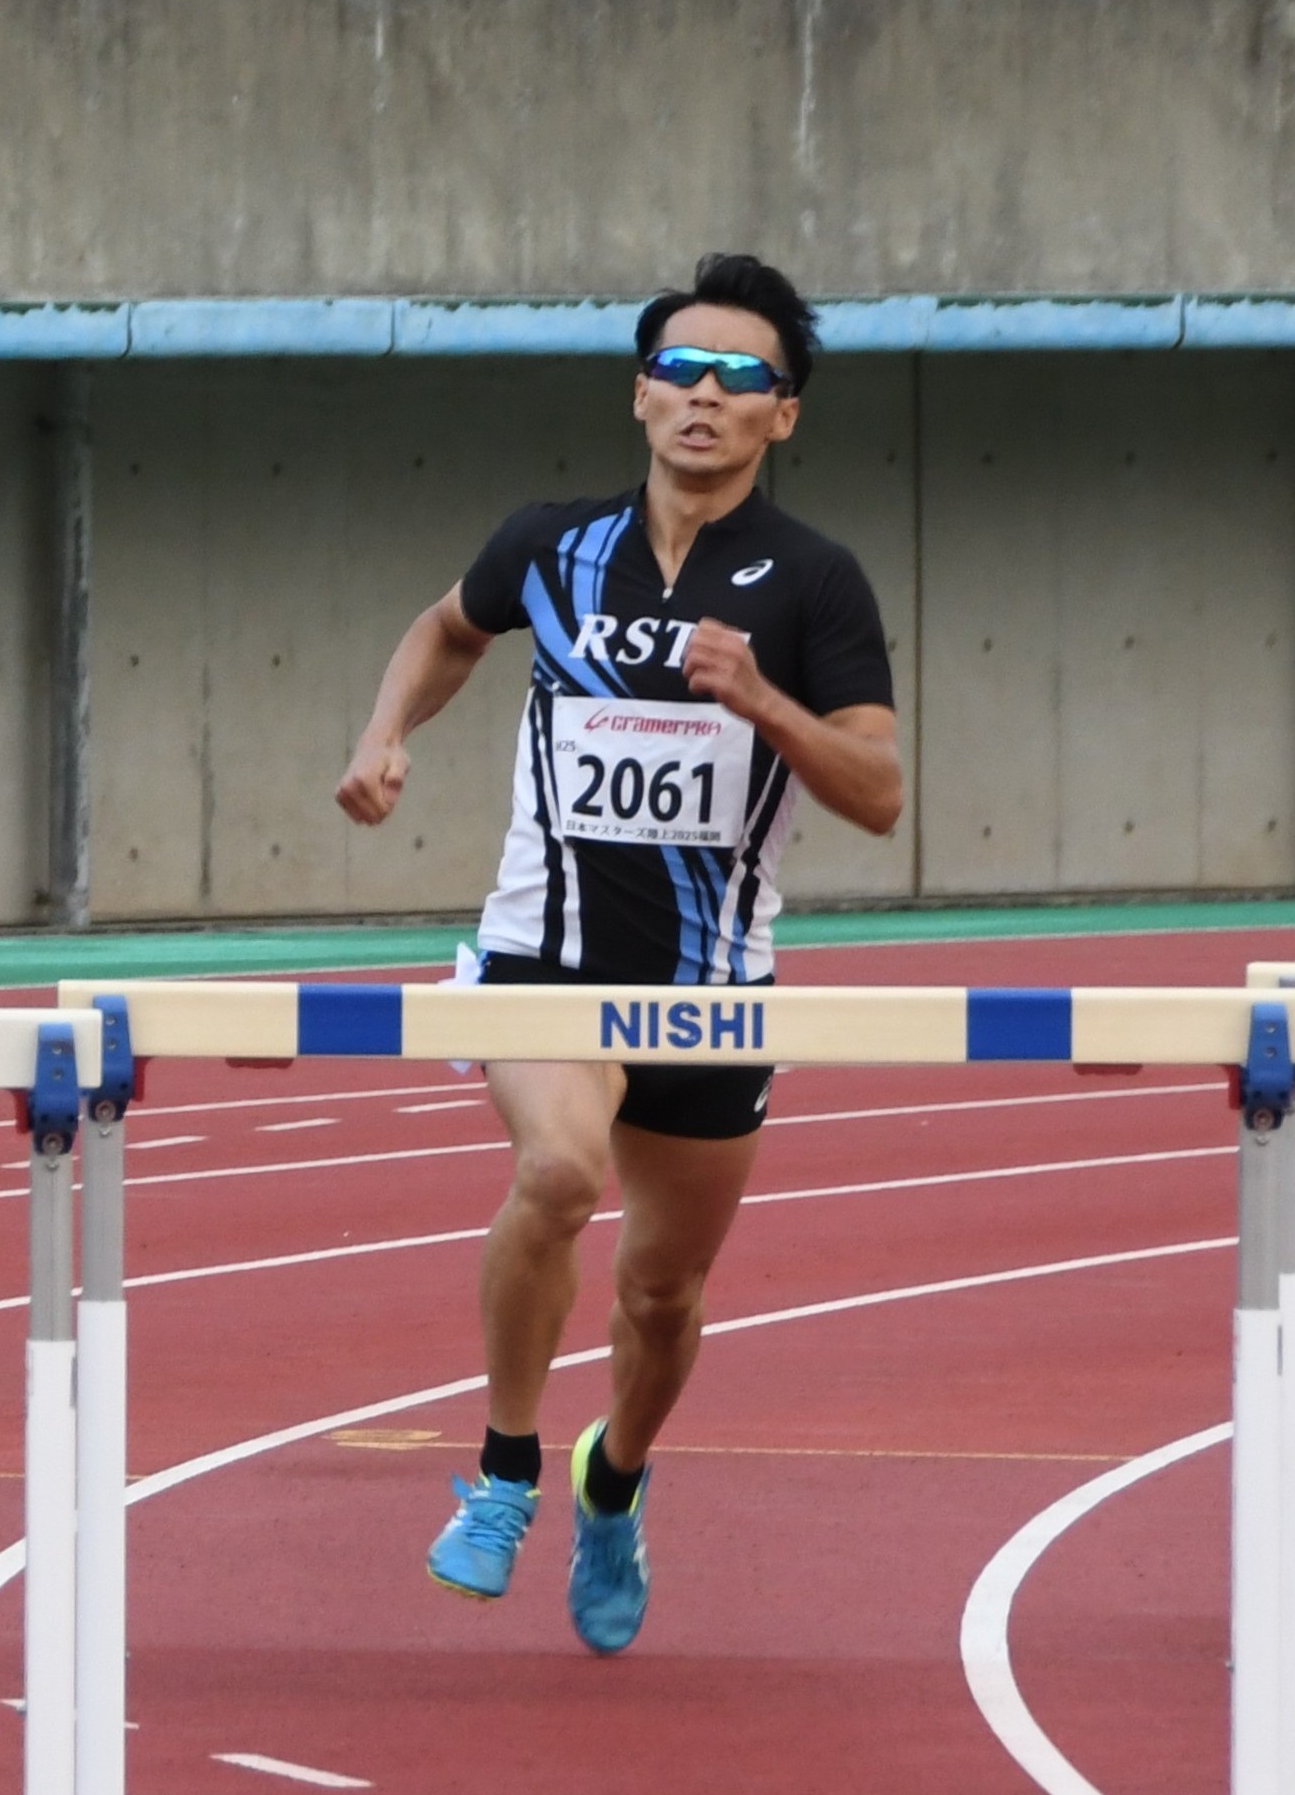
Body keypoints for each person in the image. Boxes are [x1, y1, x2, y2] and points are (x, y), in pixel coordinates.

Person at [334, 256, 905, 1655]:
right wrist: (384, 730)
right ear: (640, 392)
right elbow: (444, 628)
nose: (706, 396)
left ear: (784, 418)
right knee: (557, 1172)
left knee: (662, 1293)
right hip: (544, 957)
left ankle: (612, 1478)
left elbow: (878, 791)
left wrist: (761, 697)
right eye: (682, 370)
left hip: (711, 988)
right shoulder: (549, 544)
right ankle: (507, 1471)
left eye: (743, 379)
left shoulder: (814, 582)